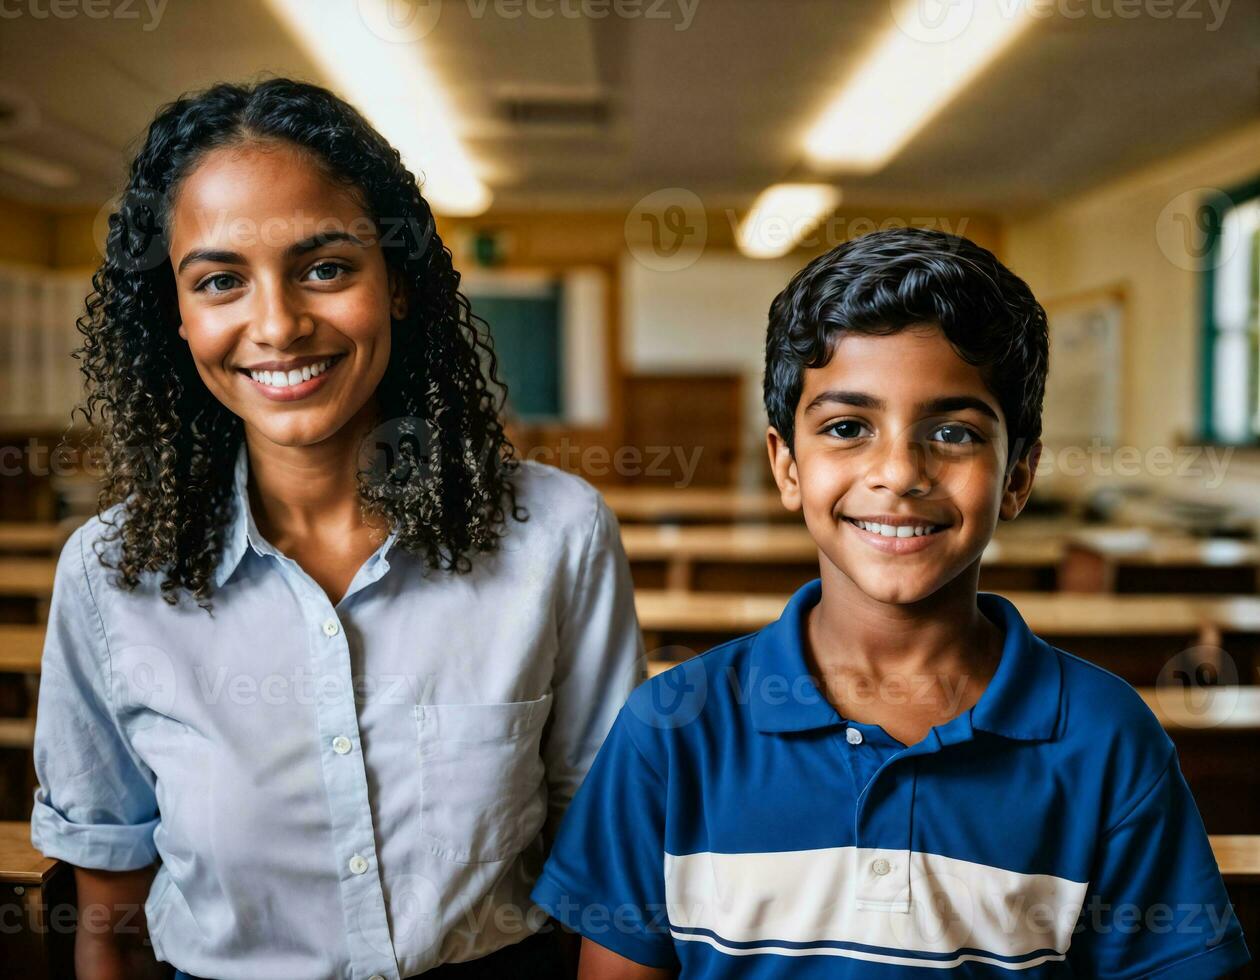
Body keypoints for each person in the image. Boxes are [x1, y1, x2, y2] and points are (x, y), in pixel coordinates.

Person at [31, 77, 644, 980]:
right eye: (220, 281)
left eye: (325, 267)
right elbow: (109, 917)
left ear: (396, 284)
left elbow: (608, 872)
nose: (277, 324)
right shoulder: (110, 574)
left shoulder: (554, 536)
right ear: (179, 314)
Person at [531, 227, 1252, 978]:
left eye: (953, 431)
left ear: (1018, 475)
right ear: (787, 467)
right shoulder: (673, 729)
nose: (899, 472)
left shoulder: (1107, 739)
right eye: (848, 428)